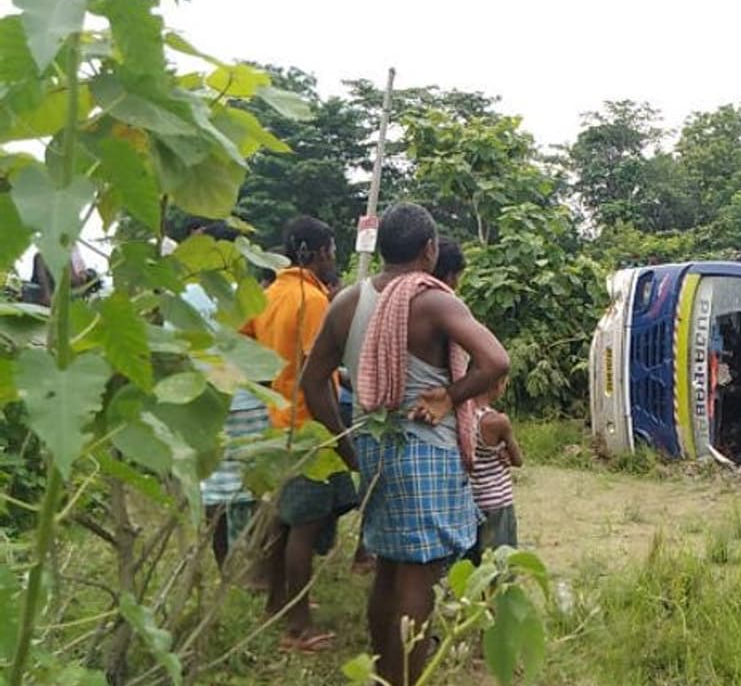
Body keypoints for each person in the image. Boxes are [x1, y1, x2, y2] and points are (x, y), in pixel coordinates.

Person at [299, 203, 508, 686]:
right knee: (419, 576)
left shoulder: (346, 302)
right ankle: (405, 679)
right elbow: (496, 361)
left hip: (374, 447)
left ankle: (385, 673)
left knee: (390, 569)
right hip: (426, 451)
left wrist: (349, 447)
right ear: (429, 249)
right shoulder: (433, 300)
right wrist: (450, 395)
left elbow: (313, 383)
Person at [243, 215, 358, 653]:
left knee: (280, 520)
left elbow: (247, 349)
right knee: (304, 529)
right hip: (309, 427)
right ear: (311, 252)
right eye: (329, 250)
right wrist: (342, 440)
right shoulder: (312, 300)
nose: (333, 259)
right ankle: (299, 626)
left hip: (277, 422)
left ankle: (276, 602)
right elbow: (315, 378)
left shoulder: (268, 293)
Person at [180, 219, 271, 575]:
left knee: (213, 491)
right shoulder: (247, 296)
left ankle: (223, 567)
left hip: (202, 403)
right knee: (255, 488)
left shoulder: (182, 297)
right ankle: (255, 570)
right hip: (247, 400)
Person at [463, 377, 522, 566]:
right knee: (499, 565)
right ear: (497, 384)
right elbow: (518, 460)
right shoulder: (497, 421)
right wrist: (505, 450)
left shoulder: (462, 415)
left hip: (470, 501)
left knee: (472, 562)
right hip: (497, 502)